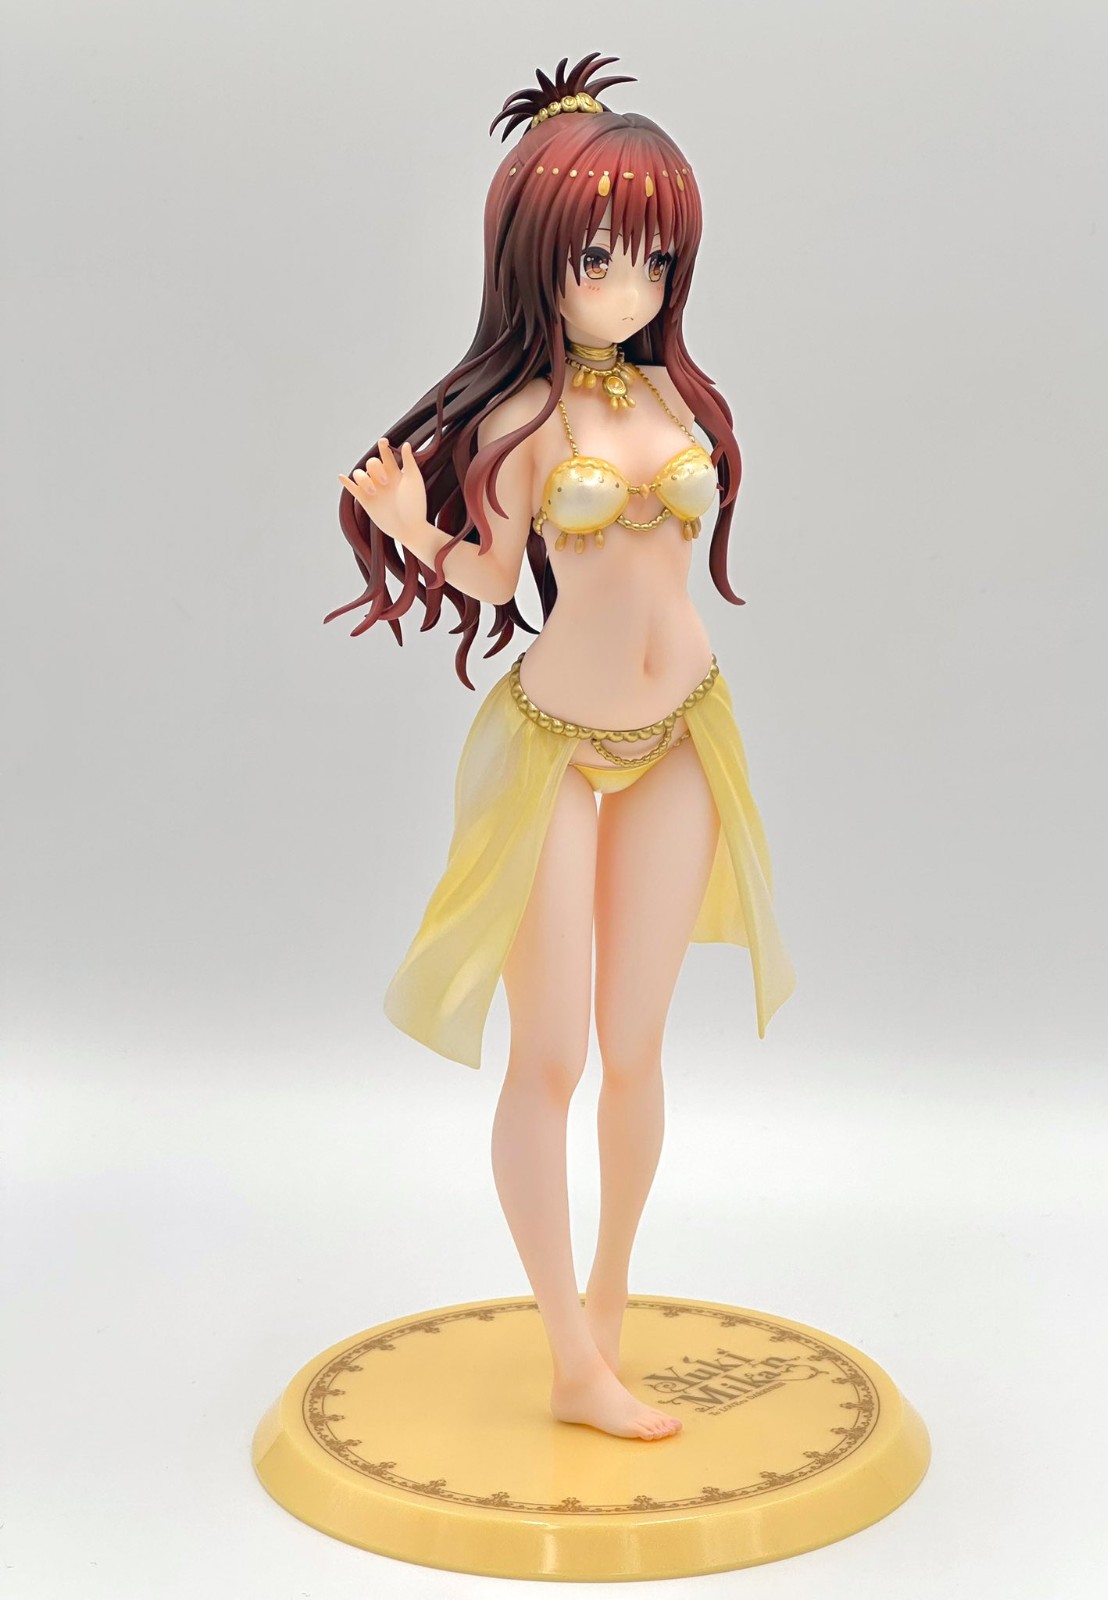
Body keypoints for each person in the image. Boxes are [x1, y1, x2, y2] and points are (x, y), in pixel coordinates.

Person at [330, 51, 795, 1442]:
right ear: (538, 257)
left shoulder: (673, 403)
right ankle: (568, 1358)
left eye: (657, 258)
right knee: (550, 1059)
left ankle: (608, 1302)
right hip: (554, 747)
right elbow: (492, 577)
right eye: (602, 257)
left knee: (636, 1049)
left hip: (682, 736)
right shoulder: (525, 423)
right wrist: (410, 531)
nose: (632, 286)